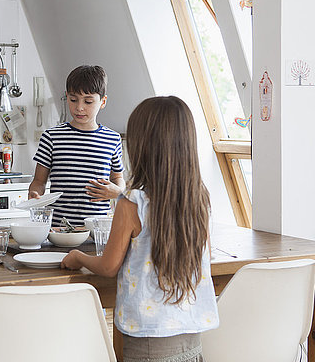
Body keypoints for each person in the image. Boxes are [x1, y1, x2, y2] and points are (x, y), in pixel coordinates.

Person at [61, 96, 219, 361]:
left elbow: (109, 267)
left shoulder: (133, 202)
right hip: (191, 337)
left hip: (148, 342)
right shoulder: (199, 198)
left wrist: (78, 257)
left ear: (143, 145)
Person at [28, 65, 125, 227]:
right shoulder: (52, 137)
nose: (79, 107)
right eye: (73, 99)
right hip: (59, 228)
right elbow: (39, 181)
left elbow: (118, 178)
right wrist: (35, 194)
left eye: (88, 101)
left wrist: (118, 191)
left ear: (103, 102)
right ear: (67, 97)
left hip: (97, 228)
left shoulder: (113, 139)